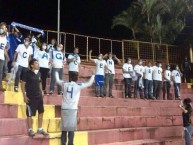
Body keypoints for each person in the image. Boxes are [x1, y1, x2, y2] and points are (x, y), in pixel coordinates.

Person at [55, 69, 95, 145]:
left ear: (70, 78)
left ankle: (63, 143)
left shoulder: (65, 84)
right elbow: (89, 83)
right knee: (71, 129)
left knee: (64, 128)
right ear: (76, 78)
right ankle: (70, 143)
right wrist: (93, 75)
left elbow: (57, 80)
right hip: (72, 109)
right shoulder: (78, 86)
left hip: (64, 108)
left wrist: (56, 72)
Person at [21, 59, 49, 136]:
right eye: (36, 63)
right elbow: (22, 85)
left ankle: (40, 129)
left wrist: (41, 91)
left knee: (41, 112)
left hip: (38, 97)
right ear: (32, 65)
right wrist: (24, 96)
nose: (38, 64)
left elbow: (40, 82)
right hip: (30, 97)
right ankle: (30, 130)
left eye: (38, 63)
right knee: (29, 114)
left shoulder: (39, 73)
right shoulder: (26, 73)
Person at [0, 22, 9, 91]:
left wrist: (7, 56)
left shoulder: (5, 39)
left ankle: (0, 85)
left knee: (0, 72)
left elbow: (4, 49)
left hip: (2, 57)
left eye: (5, 28)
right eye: (2, 28)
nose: (4, 29)